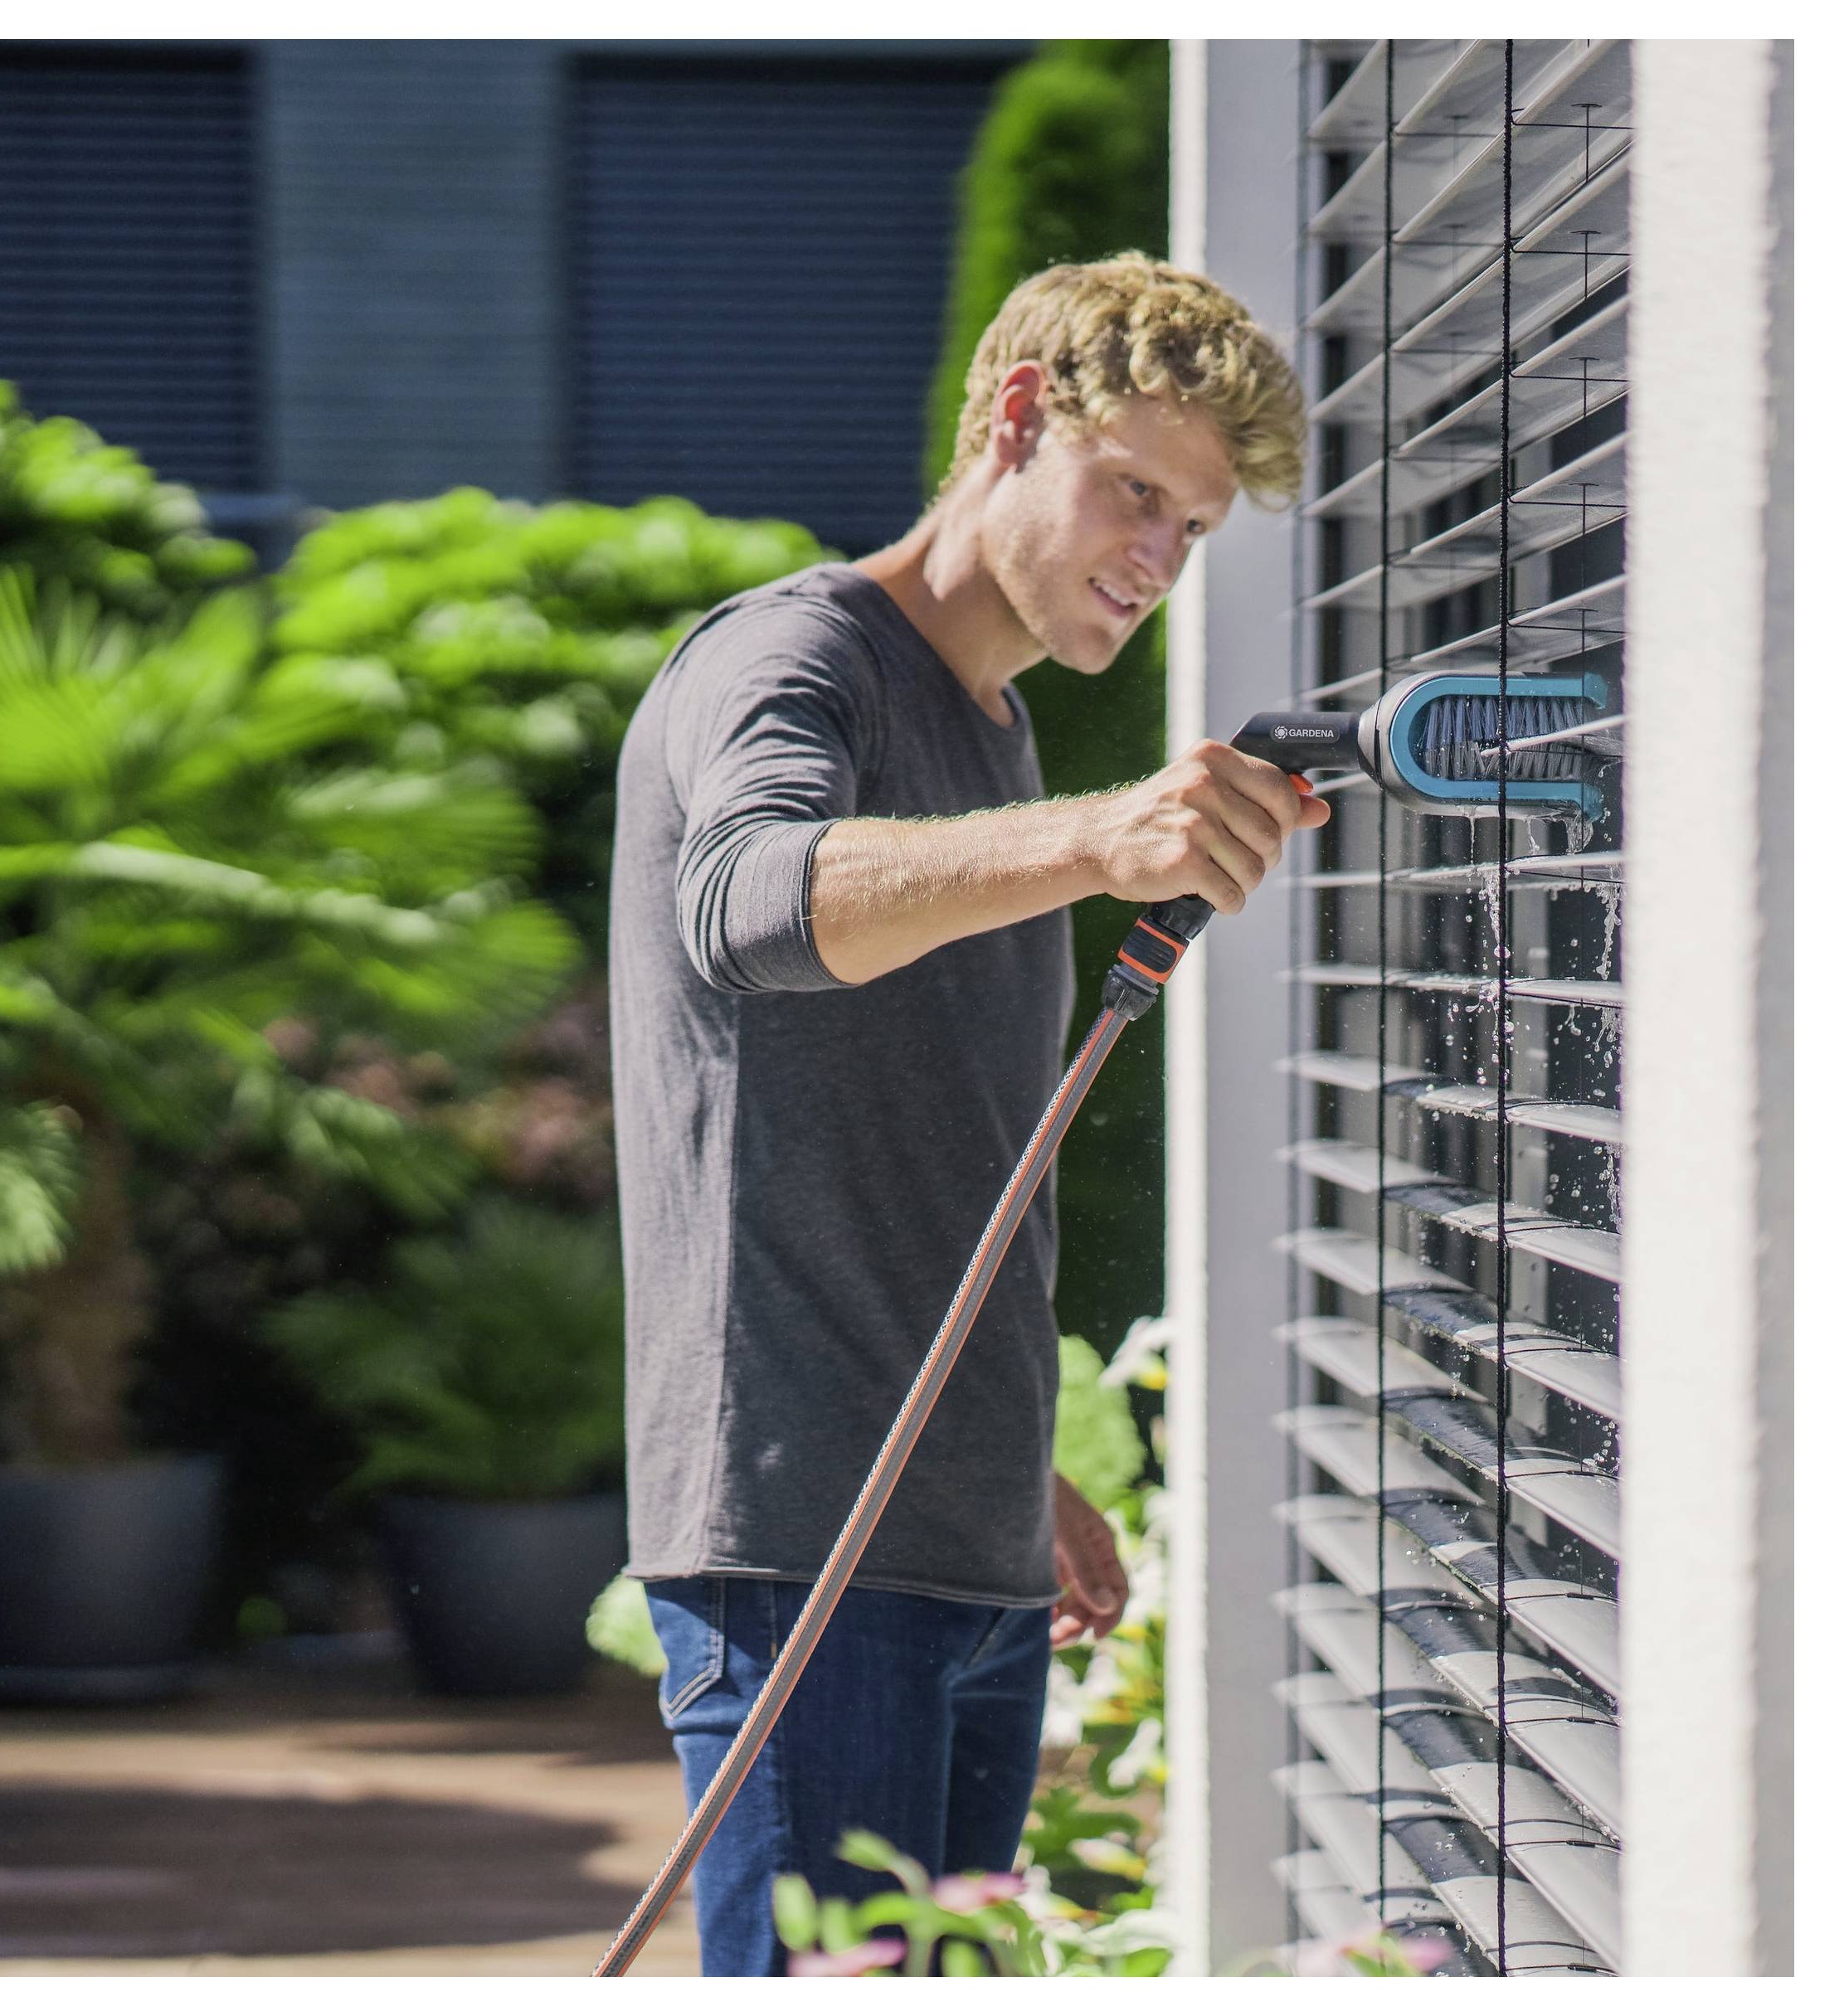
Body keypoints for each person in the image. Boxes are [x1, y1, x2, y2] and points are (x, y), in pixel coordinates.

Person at [607, 253, 1320, 1976]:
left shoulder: (988, 732)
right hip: (800, 1549)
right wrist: (1095, 844)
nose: (1154, 561)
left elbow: (924, 1158)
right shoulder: (794, 661)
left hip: (956, 1544)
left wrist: (1015, 1473)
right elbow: (751, 903)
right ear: (1014, 420)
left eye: (1192, 530)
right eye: (1133, 492)